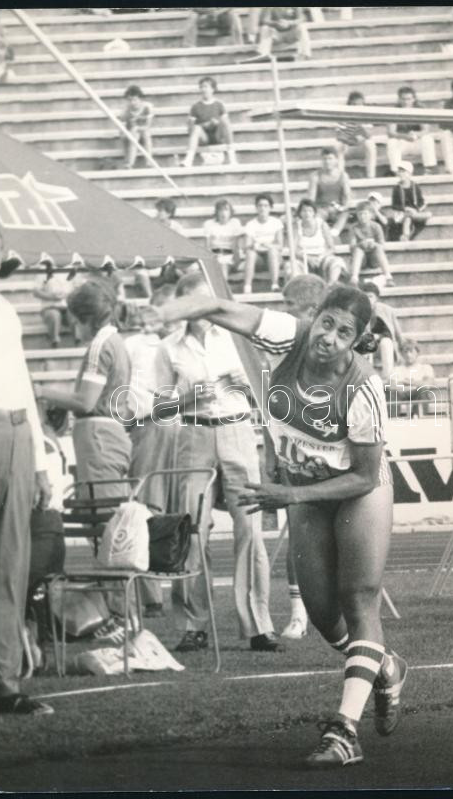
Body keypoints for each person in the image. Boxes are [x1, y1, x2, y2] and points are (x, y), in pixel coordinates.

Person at [154, 282, 407, 767]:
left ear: (356, 342)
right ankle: (384, 665)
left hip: (357, 491)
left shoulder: (363, 388)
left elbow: (362, 474)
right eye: (326, 323)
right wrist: (161, 312)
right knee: (322, 614)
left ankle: (344, 731)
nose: (329, 337)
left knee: (359, 598)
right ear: (316, 318)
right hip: (305, 488)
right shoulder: (290, 335)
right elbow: (220, 306)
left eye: (343, 333)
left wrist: (290, 494)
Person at [157, 271, 281, 653]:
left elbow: (265, 393)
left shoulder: (236, 337)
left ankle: (258, 625)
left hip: (236, 430)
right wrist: (187, 398)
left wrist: (240, 384)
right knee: (193, 530)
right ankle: (193, 625)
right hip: (194, 435)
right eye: (194, 301)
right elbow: (158, 407)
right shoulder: (168, 348)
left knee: (250, 529)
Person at [0, 218, 53, 719]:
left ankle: (3, 686)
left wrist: (41, 464)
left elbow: (23, 381)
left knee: (8, 569)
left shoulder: (5, 310)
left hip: (18, 435)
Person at [36, 281, 133, 640]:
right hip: (108, 435)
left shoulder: (99, 346)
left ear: (83, 317)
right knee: (109, 526)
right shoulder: (114, 341)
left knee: (105, 528)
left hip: (98, 437)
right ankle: (120, 612)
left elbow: (86, 401)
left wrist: (42, 391)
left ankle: (120, 616)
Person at [125, 300, 182, 618]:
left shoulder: (172, 344)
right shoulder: (144, 345)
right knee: (154, 506)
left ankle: (161, 594)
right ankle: (154, 594)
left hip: (167, 426)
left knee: (159, 506)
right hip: (160, 424)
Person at [278, 274, 327, 639]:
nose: (283, 312)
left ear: (311, 310)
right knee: (298, 529)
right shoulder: (283, 346)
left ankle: (338, 605)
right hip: (294, 448)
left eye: (289, 306)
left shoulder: (338, 346)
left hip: (333, 448)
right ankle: (298, 612)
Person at [183, 77, 237, 168]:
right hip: (204, 138)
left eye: (206, 87)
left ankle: (232, 158)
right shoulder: (195, 106)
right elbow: (190, 130)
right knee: (197, 128)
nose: (203, 89)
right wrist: (204, 125)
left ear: (212, 89)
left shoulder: (219, 105)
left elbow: (226, 124)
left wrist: (217, 123)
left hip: (217, 136)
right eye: (201, 87)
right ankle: (189, 159)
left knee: (225, 122)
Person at [386, 86, 438, 175]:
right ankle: (396, 171)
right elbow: (391, 133)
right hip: (402, 142)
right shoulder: (394, 110)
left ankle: (429, 169)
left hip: (416, 141)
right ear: (399, 99)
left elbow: (426, 130)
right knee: (392, 142)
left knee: (427, 139)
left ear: (414, 99)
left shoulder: (420, 109)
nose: (406, 102)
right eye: (403, 99)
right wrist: (405, 136)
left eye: (409, 99)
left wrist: (416, 134)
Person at [294, 199, 348, 284]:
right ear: (300, 213)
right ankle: (301, 287)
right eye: (304, 211)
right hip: (303, 258)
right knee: (292, 266)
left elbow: (331, 248)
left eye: (310, 211)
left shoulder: (322, 224)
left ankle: (331, 285)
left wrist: (321, 257)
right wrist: (308, 258)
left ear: (314, 212)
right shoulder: (296, 226)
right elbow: (294, 250)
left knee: (337, 262)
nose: (307, 213)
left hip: (321, 257)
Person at [243, 193, 285, 294]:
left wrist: (269, 245)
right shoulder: (251, 224)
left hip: (273, 257)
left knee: (272, 251)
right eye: (260, 205)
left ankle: (275, 285)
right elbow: (247, 246)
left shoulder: (276, 223)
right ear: (256, 208)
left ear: (270, 208)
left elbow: (280, 246)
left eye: (266, 206)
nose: (262, 208)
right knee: (250, 253)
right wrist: (254, 245)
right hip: (258, 258)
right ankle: (247, 287)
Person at [33, 261, 81, 348]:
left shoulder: (72, 268)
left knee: (74, 314)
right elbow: (36, 291)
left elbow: (79, 288)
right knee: (54, 315)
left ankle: (79, 341)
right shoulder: (45, 268)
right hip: (50, 306)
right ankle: (55, 342)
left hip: (69, 305)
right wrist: (51, 296)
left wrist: (69, 295)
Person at [365, 281, 405, 382]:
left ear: (376, 298)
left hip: (384, 345)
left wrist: (378, 336)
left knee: (386, 342)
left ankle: (387, 377)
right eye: (365, 297)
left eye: (370, 296)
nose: (368, 299)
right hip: (367, 346)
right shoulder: (359, 311)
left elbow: (395, 333)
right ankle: (367, 377)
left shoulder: (385, 310)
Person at [308, 147, 352, 239]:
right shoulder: (315, 176)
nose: (327, 162)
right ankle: (322, 231)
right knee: (316, 217)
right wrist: (315, 211)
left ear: (336, 160)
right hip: (321, 208)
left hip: (337, 209)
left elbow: (347, 196)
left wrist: (342, 207)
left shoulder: (343, 175)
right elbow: (311, 199)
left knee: (345, 213)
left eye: (330, 159)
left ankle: (334, 232)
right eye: (325, 159)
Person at [348, 201, 394, 286]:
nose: (362, 216)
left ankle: (388, 277)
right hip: (361, 260)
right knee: (358, 249)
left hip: (374, 259)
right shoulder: (354, 228)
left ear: (371, 215)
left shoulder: (376, 226)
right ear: (357, 215)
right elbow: (352, 247)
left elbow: (382, 245)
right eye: (360, 214)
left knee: (378, 248)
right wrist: (360, 244)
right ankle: (354, 278)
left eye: (365, 214)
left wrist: (374, 244)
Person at [335, 91, 377, 179]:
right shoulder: (343, 116)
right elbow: (339, 135)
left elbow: (369, 134)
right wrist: (349, 140)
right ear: (349, 104)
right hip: (348, 147)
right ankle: (340, 177)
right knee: (338, 145)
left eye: (359, 104)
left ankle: (371, 176)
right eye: (354, 104)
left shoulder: (367, 115)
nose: (357, 107)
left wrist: (360, 126)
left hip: (361, 146)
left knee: (370, 144)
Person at [391, 339, 436, 417]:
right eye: (405, 352)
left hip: (418, 393)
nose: (408, 355)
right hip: (402, 393)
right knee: (392, 393)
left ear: (417, 353)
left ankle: (417, 417)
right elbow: (392, 385)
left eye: (411, 352)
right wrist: (417, 383)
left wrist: (407, 382)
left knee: (423, 390)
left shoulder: (425, 368)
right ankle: (392, 418)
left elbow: (428, 383)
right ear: (401, 354)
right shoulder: (397, 369)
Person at [388, 161, 432, 242]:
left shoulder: (415, 187)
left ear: (409, 174)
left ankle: (407, 233)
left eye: (403, 172)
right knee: (407, 219)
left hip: (414, 213)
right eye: (399, 172)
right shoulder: (396, 188)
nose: (401, 174)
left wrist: (415, 210)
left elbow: (421, 202)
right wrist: (405, 209)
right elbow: (394, 205)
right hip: (402, 213)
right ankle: (406, 236)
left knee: (428, 214)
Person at [204, 199, 244, 277]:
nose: (223, 213)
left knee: (223, 267)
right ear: (216, 212)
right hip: (215, 256)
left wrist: (235, 262)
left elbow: (236, 247)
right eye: (220, 210)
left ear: (230, 212)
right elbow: (207, 247)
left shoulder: (235, 223)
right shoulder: (209, 224)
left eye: (226, 210)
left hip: (229, 257)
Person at [118, 84, 154, 169]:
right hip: (131, 135)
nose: (132, 103)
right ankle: (130, 163)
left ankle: (149, 162)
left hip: (143, 133)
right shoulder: (126, 110)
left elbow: (148, 125)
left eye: (135, 99)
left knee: (145, 133)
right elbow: (122, 129)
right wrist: (128, 133)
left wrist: (137, 128)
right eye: (130, 100)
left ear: (140, 99)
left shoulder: (147, 107)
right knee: (135, 135)